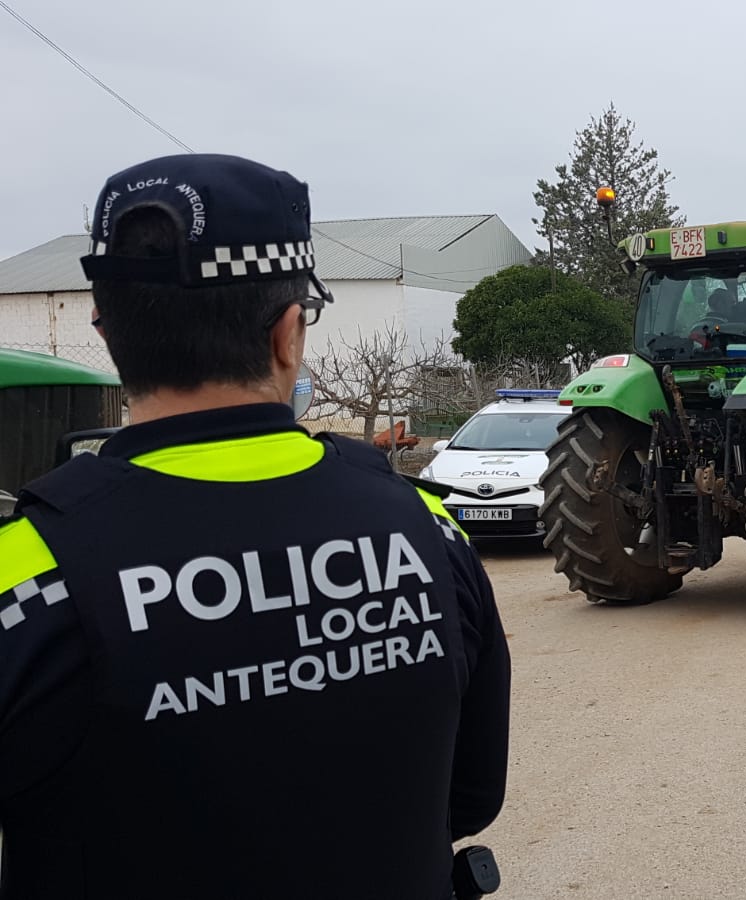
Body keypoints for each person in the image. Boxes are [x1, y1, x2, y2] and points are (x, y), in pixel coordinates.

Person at [0, 154, 510, 898]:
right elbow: (470, 797)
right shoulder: (428, 532)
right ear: (287, 335)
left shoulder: (30, 571)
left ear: (108, 332)